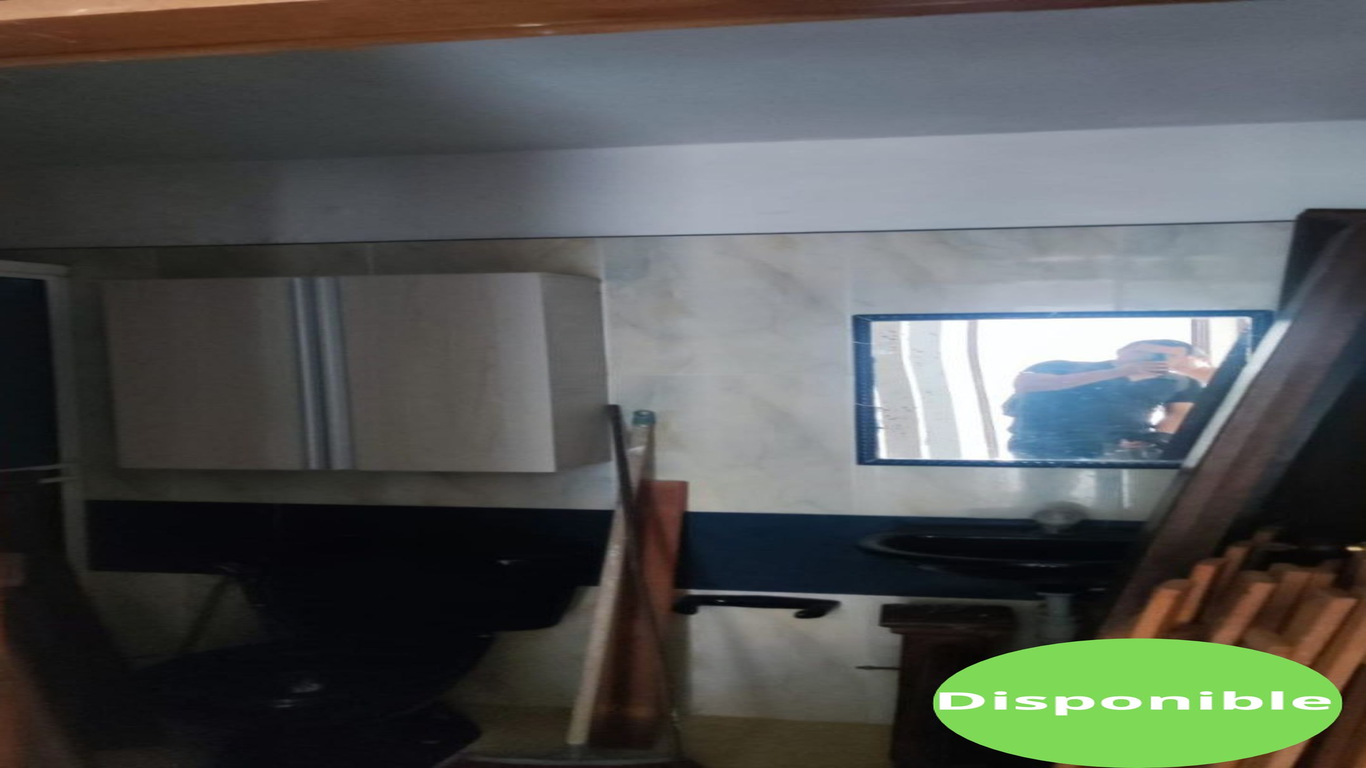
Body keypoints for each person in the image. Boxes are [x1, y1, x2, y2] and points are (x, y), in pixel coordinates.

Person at [1005, 339, 1207, 460]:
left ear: (1181, 361)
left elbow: (1179, 414)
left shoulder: (1181, 383)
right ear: (1122, 352)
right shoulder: (1061, 366)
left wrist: (1157, 439)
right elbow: (1027, 383)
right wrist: (1118, 372)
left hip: (1119, 450)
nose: (1153, 358)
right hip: (1041, 447)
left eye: (1167, 356)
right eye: (1143, 352)